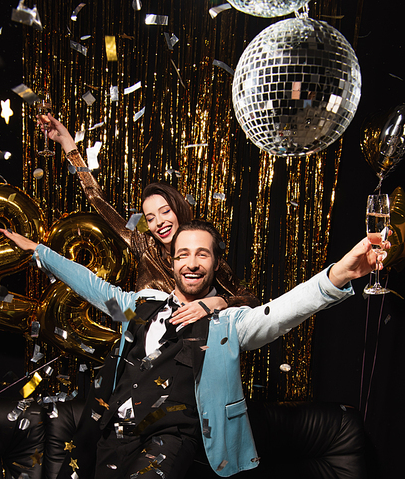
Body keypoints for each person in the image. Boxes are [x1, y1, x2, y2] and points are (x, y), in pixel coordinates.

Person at [0, 220, 385, 479]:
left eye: (203, 253)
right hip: (113, 437)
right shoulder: (138, 308)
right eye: (183, 253)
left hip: (173, 436)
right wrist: (39, 250)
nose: (192, 262)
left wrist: (340, 274)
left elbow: (283, 310)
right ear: (171, 260)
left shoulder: (228, 324)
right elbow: (89, 282)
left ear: (215, 262)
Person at [37, 114, 259, 324]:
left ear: (179, 210)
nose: (159, 222)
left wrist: (219, 302)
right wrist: (67, 143)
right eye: (150, 218)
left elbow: (250, 300)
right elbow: (98, 200)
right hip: (139, 336)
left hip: (183, 348)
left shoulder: (202, 256)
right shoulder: (143, 244)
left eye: (165, 212)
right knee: (113, 307)